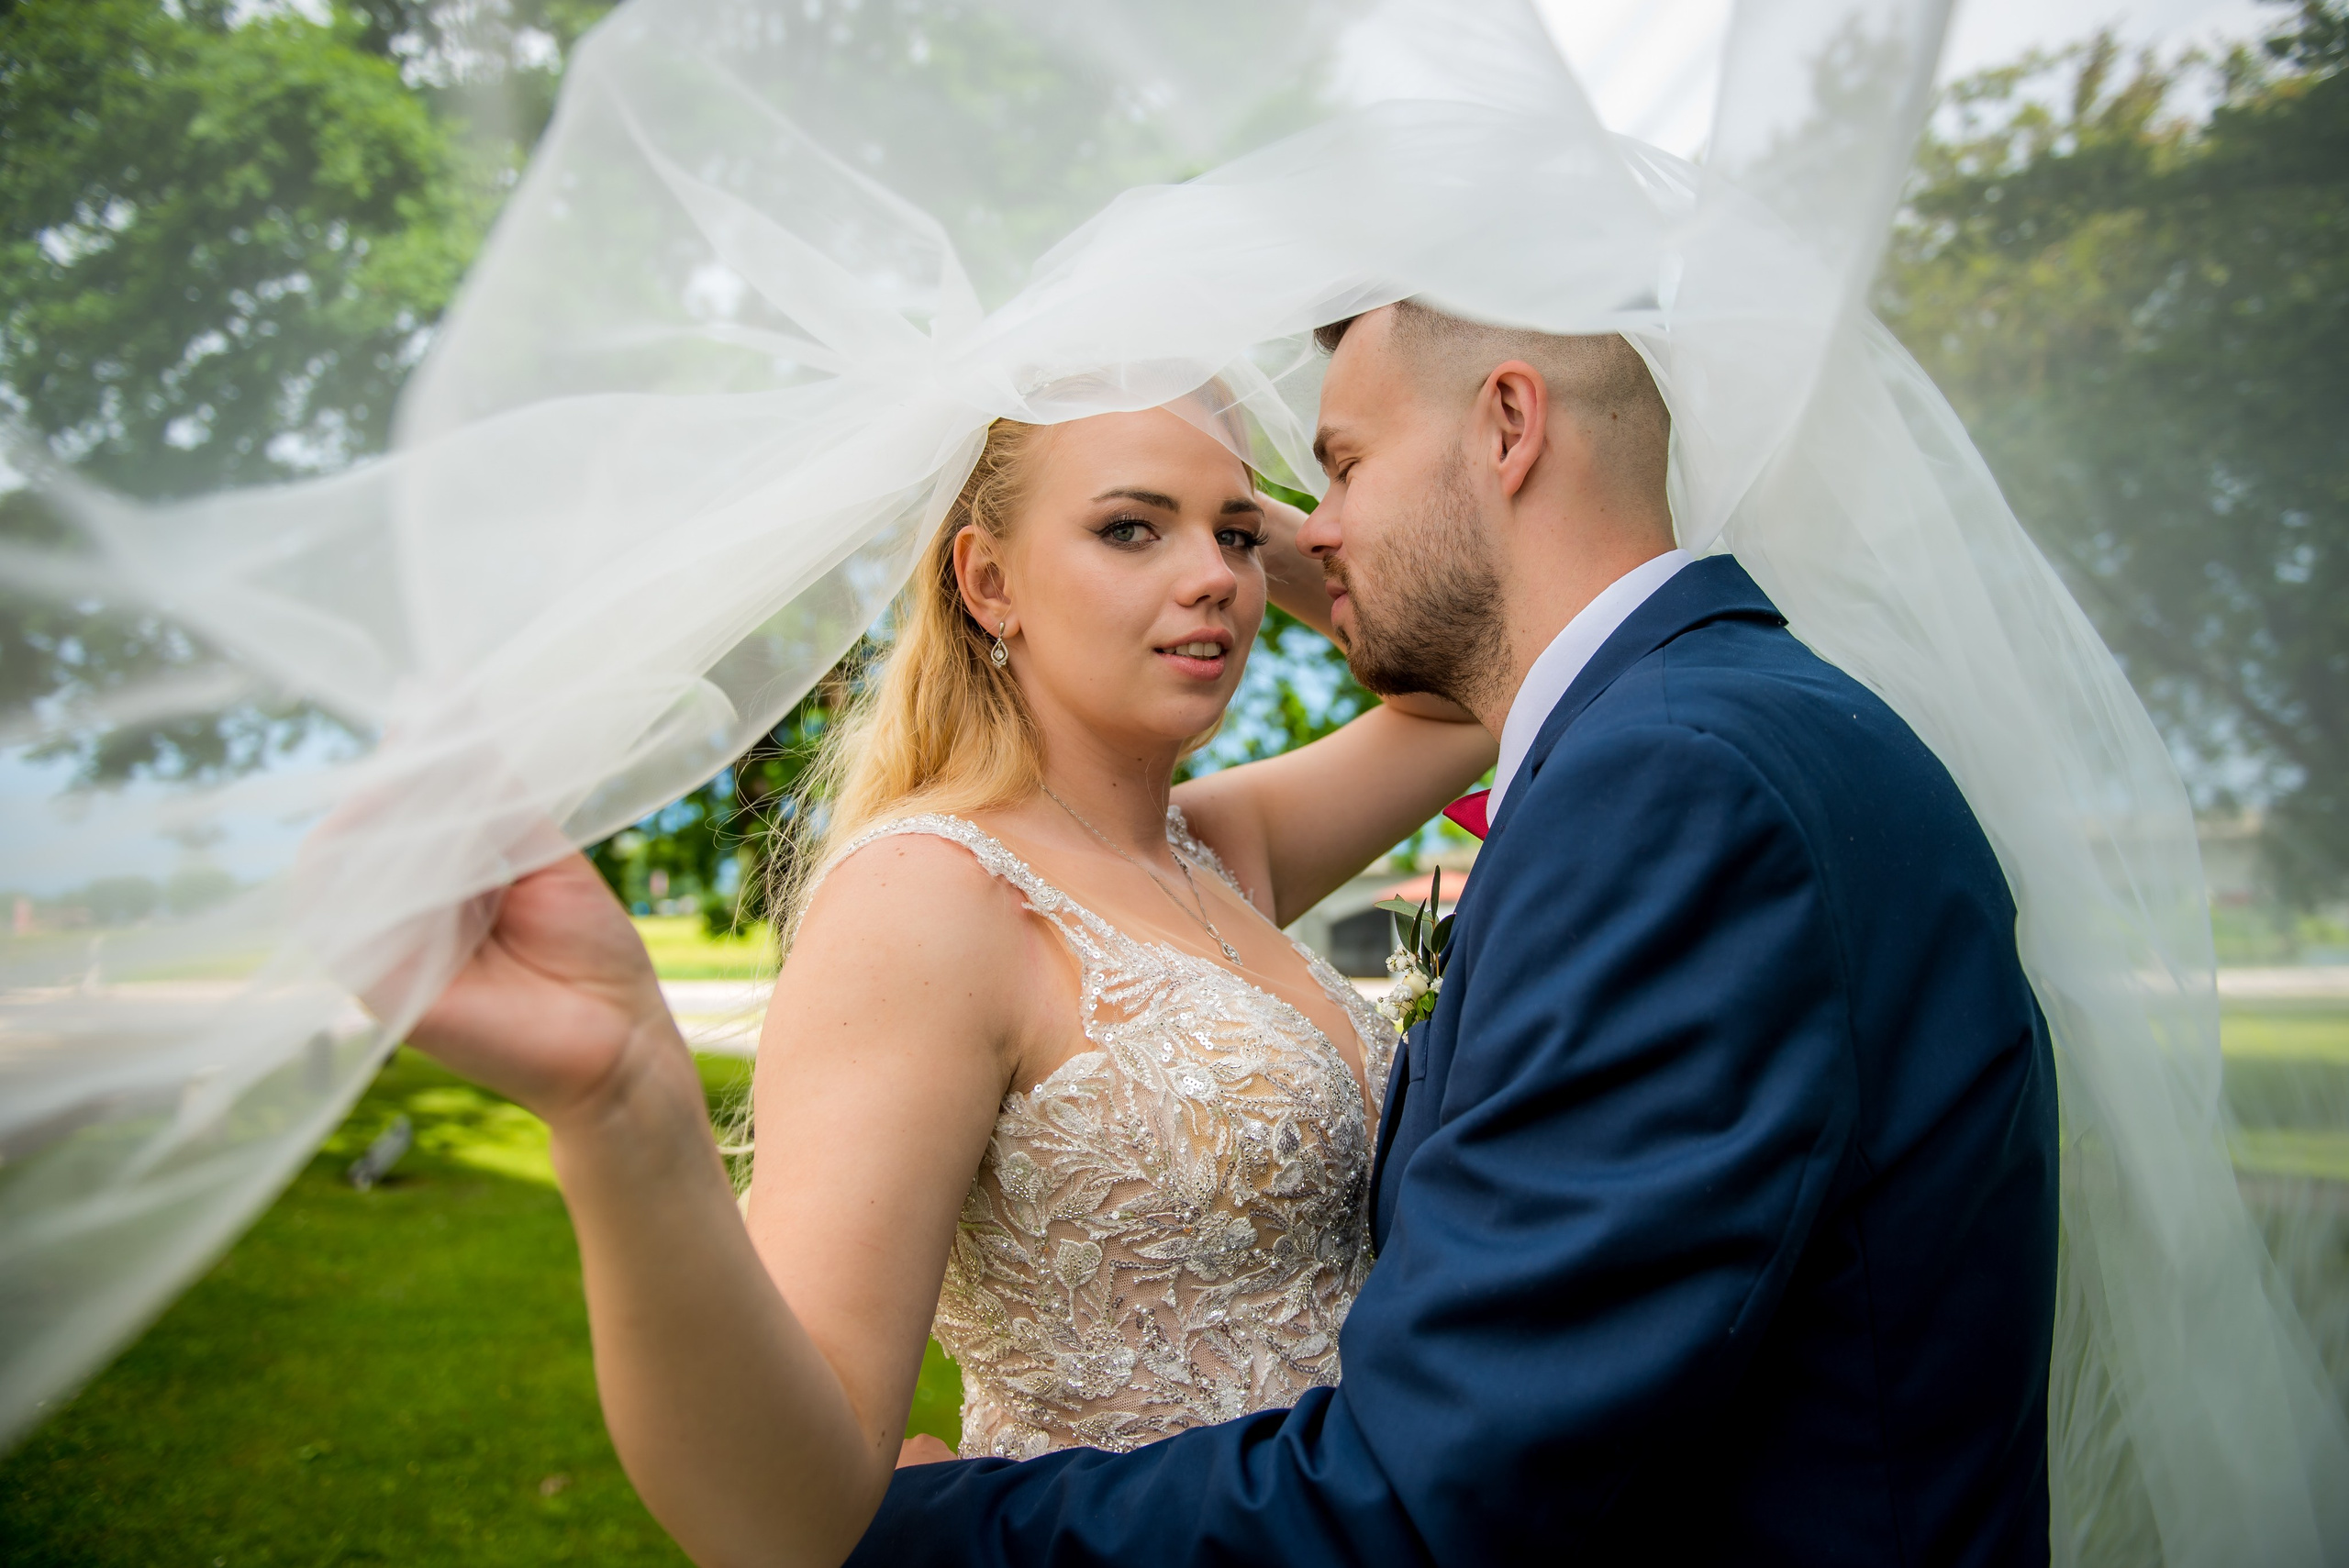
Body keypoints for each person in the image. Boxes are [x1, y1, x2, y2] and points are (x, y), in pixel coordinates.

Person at [840, 305, 2060, 1564]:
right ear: (984, 579)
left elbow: (1446, 1487)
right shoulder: (1766, 717)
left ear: (1511, 423)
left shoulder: (1669, 782)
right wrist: (1235, 506)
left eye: (1336, 468)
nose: (1302, 533)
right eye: (1131, 527)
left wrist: (926, 1539)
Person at [399, 395, 1496, 1567]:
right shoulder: (927, 896)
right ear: (987, 582)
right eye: (1129, 528)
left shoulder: (1216, 849)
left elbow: (1467, 680)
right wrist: (620, 1113)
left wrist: (1217, 494)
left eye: (1231, 538)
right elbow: (777, 1514)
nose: (1215, 579)